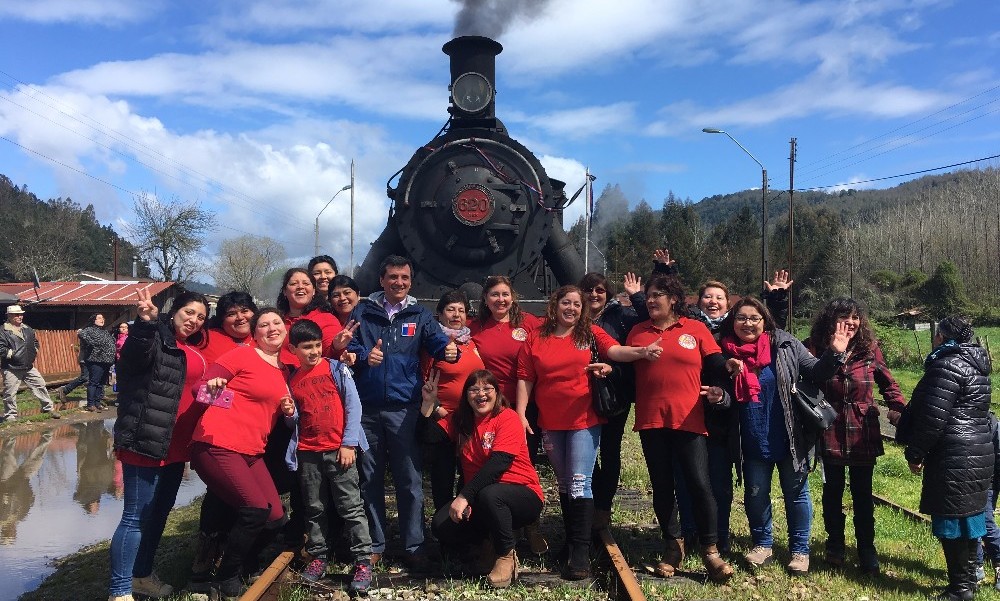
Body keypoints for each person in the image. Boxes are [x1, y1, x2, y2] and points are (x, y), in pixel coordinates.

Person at [516, 285, 656, 580]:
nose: (571, 308)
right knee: (565, 483)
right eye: (566, 302)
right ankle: (570, 542)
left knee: (580, 482)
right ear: (556, 305)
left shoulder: (589, 333)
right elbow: (526, 378)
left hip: (584, 419)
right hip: (550, 422)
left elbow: (615, 350)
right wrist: (520, 413)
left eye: (577, 305)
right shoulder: (536, 338)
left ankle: (580, 552)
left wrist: (642, 352)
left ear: (582, 310)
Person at [718, 296, 847, 575]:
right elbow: (725, 394)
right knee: (755, 494)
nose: (748, 323)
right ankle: (762, 544)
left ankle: (800, 550)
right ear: (733, 322)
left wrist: (834, 353)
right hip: (750, 437)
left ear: (765, 321)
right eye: (741, 318)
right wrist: (720, 397)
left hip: (789, 436)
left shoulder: (786, 345)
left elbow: (816, 372)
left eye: (754, 318)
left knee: (797, 493)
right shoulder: (724, 352)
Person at [346, 255, 458, 570]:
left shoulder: (420, 314)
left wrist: (451, 351)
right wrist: (365, 355)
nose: (399, 282)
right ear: (382, 280)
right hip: (366, 409)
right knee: (370, 479)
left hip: (404, 409)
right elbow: (349, 346)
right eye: (393, 277)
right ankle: (375, 544)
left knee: (409, 479)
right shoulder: (362, 311)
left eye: (404, 278)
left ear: (410, 281)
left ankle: (414, 544)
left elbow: (438, 344)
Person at [621, 275, 734, 583]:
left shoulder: (694, 329)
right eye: (649, 295)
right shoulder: (637, 332)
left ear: (673, 299)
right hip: (651, 420)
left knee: (700, 483)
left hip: (689, 420)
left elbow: (715, 363)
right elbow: (624, 372)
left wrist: (728, 369)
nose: (653, 300)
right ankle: (673, 547)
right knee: (662, 485)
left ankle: (710, 551)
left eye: (659, 294)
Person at [110, 289, 211, 601]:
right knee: (136, 517)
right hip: (145, 439)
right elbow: (133, 359)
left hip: (177, 446)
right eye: (189, 312)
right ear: (174, 310)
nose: (194, 320)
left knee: (159, 514)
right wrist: (145, 323)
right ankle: (119, 590)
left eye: (201, 317)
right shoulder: (155, 337)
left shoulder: (192, 351)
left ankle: (141, 575)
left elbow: (194, 393)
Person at [189, 307, 294, 600]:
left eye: (276, 323)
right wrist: (216, 389)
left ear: (285, 329)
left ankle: (244, 562)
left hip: (252, 452)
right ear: (255, 332)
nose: (271, 328)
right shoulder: (242, 355)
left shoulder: (285, 370)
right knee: (254, 509)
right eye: (263, 325)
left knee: (274, 517)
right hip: (217, 443)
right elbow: (200, 390)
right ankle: (226, 577)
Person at [807, 298, 907, 574]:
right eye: (844, 317)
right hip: (830, 428)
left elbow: (889, 383)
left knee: (863, 494)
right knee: (832, 491)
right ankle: (835, 545)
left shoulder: (869, 349)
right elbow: (805, 379)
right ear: (830, 321)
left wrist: (898, 408)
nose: (850, 323)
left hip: (862, 428)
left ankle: (866, 549)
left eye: (854, 318)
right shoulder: (814, 347)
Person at [427, 370, 544, 588]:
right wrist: (428, 405)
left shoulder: (507, 417)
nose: (481, 394)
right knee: (441, 524)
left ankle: (505, 554)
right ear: (466, 396)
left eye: (487, 388)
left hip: (522, 495)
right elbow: (429, 438)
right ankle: (486, 542)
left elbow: (498, 464)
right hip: (482, 497)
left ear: (497, 393)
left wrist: (463, 496)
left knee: (491, 495)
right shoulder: (461, 421)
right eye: (474, 389)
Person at [904, 316, 993, 601]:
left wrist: (915, 453)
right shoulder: (978, 366)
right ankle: (968, 582)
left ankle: (960, 588)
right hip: (979, 450)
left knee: (953, 522)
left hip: (954, 454)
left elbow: (932, 420)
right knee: (968, 520)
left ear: (941, 337)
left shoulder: (946, 366)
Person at [282, 319, 373, 594]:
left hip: (338, 451)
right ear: (293, 349)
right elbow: (295, 422)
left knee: (351, 507)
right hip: (308, 453)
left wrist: (348, 444)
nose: (313, 352)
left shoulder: (337, 369)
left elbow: (353, 407)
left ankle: (363, 561)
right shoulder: (293, 380)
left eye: (317, 345)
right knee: (315, 507)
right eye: (306, 347)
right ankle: (318, 555)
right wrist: (289, 415)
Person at [187, 290, 259, 591]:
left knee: (253, 499)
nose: (240, 317)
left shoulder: (264, 339)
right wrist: (233, 402)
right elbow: (199, 387)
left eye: (245, 311)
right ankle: (204, 562)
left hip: (257, 433)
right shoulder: (209, 339)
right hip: (220, 433)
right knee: (219, 494)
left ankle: (242, 557)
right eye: (232, 313)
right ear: (221, 319)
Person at [469, 275, 547, 555]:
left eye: (505, 294)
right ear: (485, 300)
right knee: (491, 464)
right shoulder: (475, 327)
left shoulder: (529, 323)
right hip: (489, 410)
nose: (500, 300)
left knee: (524, 464)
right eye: (494, 295)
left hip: (525, 407)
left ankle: (531, 524)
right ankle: (496, 525)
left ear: (512, 296)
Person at [578, 272, 647, 531]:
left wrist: (636, 297)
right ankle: (588, 502)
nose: (593, 295)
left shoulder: (622, 316)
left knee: (609, 451)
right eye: (588, 290)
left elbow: (648, 319)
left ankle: (602, 509)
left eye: (599, 290)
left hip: (613, 393)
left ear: (607, 294)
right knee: (585, 453)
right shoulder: (572, 316)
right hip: (581, 396)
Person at [420, 290, 486, 510]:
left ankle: (465, 527)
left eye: (461, 310)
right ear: (439, 314)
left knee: (468, 477)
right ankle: (445, 531)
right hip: (444, 421)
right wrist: (437, 407)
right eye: (451, 309)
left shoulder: (471, 343)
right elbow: (421, 377)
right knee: (443, 479)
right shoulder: (432, 345)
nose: (456, 315)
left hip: (469, 422)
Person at [1, 304, 60, 423]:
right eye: (17, 315)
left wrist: (34, 351)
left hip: (28, 366)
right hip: (12, 367)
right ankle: (10, 415)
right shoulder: (3, 330)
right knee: (10, 392)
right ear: (10, 316)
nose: (20, 317)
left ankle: (47, 408)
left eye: (21, 314)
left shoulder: (27, 329)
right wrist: (13, 354)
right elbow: (1, 348)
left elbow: (35, 343)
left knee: (40, 384)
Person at [276, 268, 345, 367]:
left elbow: (329, 354)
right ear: (284, 292)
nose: (300, 287)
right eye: (293, 284)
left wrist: (336, 348)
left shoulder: (326, 319)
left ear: (313, 291)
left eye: (306, 283)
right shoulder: (276, 321)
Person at [78, 313, 117, 412]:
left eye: (103, 318)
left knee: (101, 383)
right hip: (95, 360)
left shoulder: (105, 331)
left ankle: (98, 403)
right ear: (93, 320)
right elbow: (81, 334)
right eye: (99, 318)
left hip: (106, 361)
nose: (102, 319)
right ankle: (90, 404)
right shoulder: (89, 329)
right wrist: (93, 344)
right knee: (94, 382)